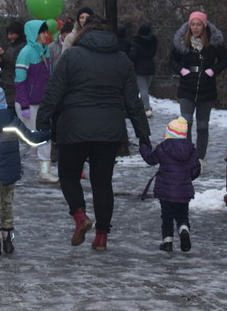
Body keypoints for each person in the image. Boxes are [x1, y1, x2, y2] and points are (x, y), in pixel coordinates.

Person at [36, 18, 151, 252]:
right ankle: (101, 237)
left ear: (83, 36)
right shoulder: (122, 60)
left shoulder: (71, 56)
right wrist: (143, 135)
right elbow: (133, 101)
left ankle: (79, 215)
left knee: (68, 175)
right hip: (109, 132)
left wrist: (43, 122)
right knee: (102, 182)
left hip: (74, 128)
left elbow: (53, 92)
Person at [0, 84, 50, 256]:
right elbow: (32, 140)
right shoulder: (12, 120)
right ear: (2, 101)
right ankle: (8, 241)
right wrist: (48, 133)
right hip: (10, 170)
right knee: (7, 204)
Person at [168, 11, 227, 167]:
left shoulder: (214, 43)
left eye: (198, 24)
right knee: (186, 123)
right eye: (193, 24)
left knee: (202, 126)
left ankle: (200, 159)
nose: (195, 27)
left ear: (204, 25)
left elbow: (225, 60)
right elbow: (172, 60)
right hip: (186, 87)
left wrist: (212, 70)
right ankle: (187, 156)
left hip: (206, 88)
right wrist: (182, 70)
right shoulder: (182, 41)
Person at [139, 117, 201, 252]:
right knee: (182, 215)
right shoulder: (191, 149)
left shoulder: (163, 148)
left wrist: (144, 146)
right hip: (184, 191)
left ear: (169, 134)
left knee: (166, 216)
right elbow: (196, 169)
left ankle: (167, 242)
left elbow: (150, 159)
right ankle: (184, 230)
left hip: (165, 191)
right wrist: (187, 178)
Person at [15, 20, 58, 183]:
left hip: (40, 103)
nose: (47, 35)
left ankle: (43, 172)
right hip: (29, 104)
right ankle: (9, 165)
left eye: (47, 32)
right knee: (30, 141)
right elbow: (19, 81)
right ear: (35, 34)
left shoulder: (44, 51)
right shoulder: (26, 53)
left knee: (39, 139)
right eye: (43, 32)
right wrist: (24, 105)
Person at [0, 20, 25, 109]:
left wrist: (3, 54)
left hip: (15, 84)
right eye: (8, 34)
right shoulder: (10, 45)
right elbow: (7, 65)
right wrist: (0, 60)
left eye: (12, 34)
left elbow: (17, 63)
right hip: (5, 83)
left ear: (19, 33)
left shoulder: (23, 47)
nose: (10, 37)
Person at [129, 23, 158, 118]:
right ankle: (141, 108)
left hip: (139, 68)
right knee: (145, 88)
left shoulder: (136, 42)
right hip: (151, 67)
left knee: (143, 89)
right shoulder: (153, 42)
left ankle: (146, 108)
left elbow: (133, 56)